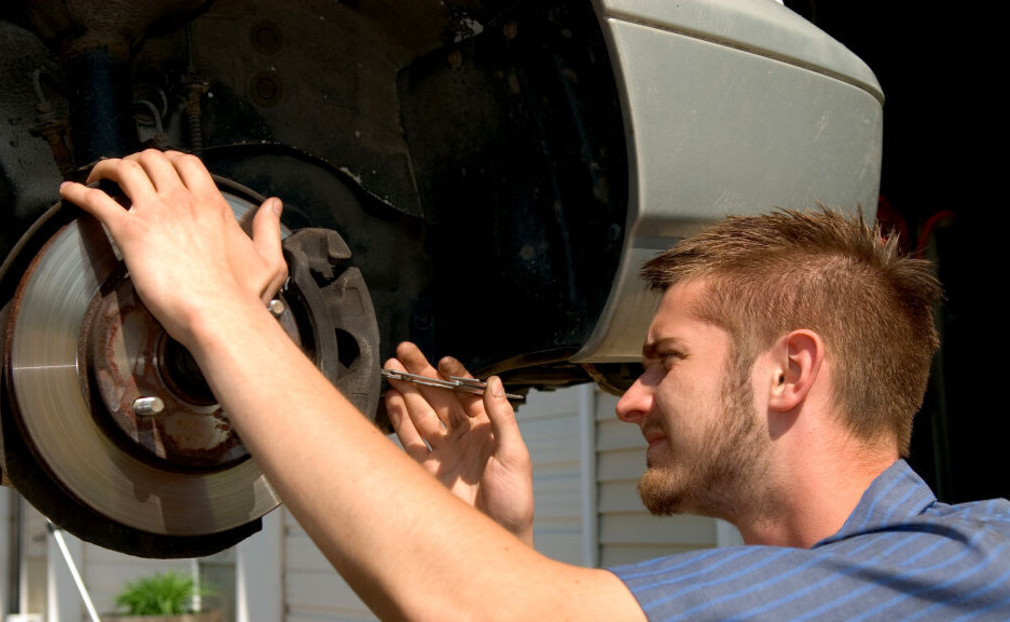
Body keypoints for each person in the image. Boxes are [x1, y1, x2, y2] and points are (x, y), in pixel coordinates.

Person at [60, 149, 1009, 620]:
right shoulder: (767, 594)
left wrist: (220, 314)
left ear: (791, 371)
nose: (630, 400)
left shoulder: (978, 569)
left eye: (663, 362)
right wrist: (481, 541)